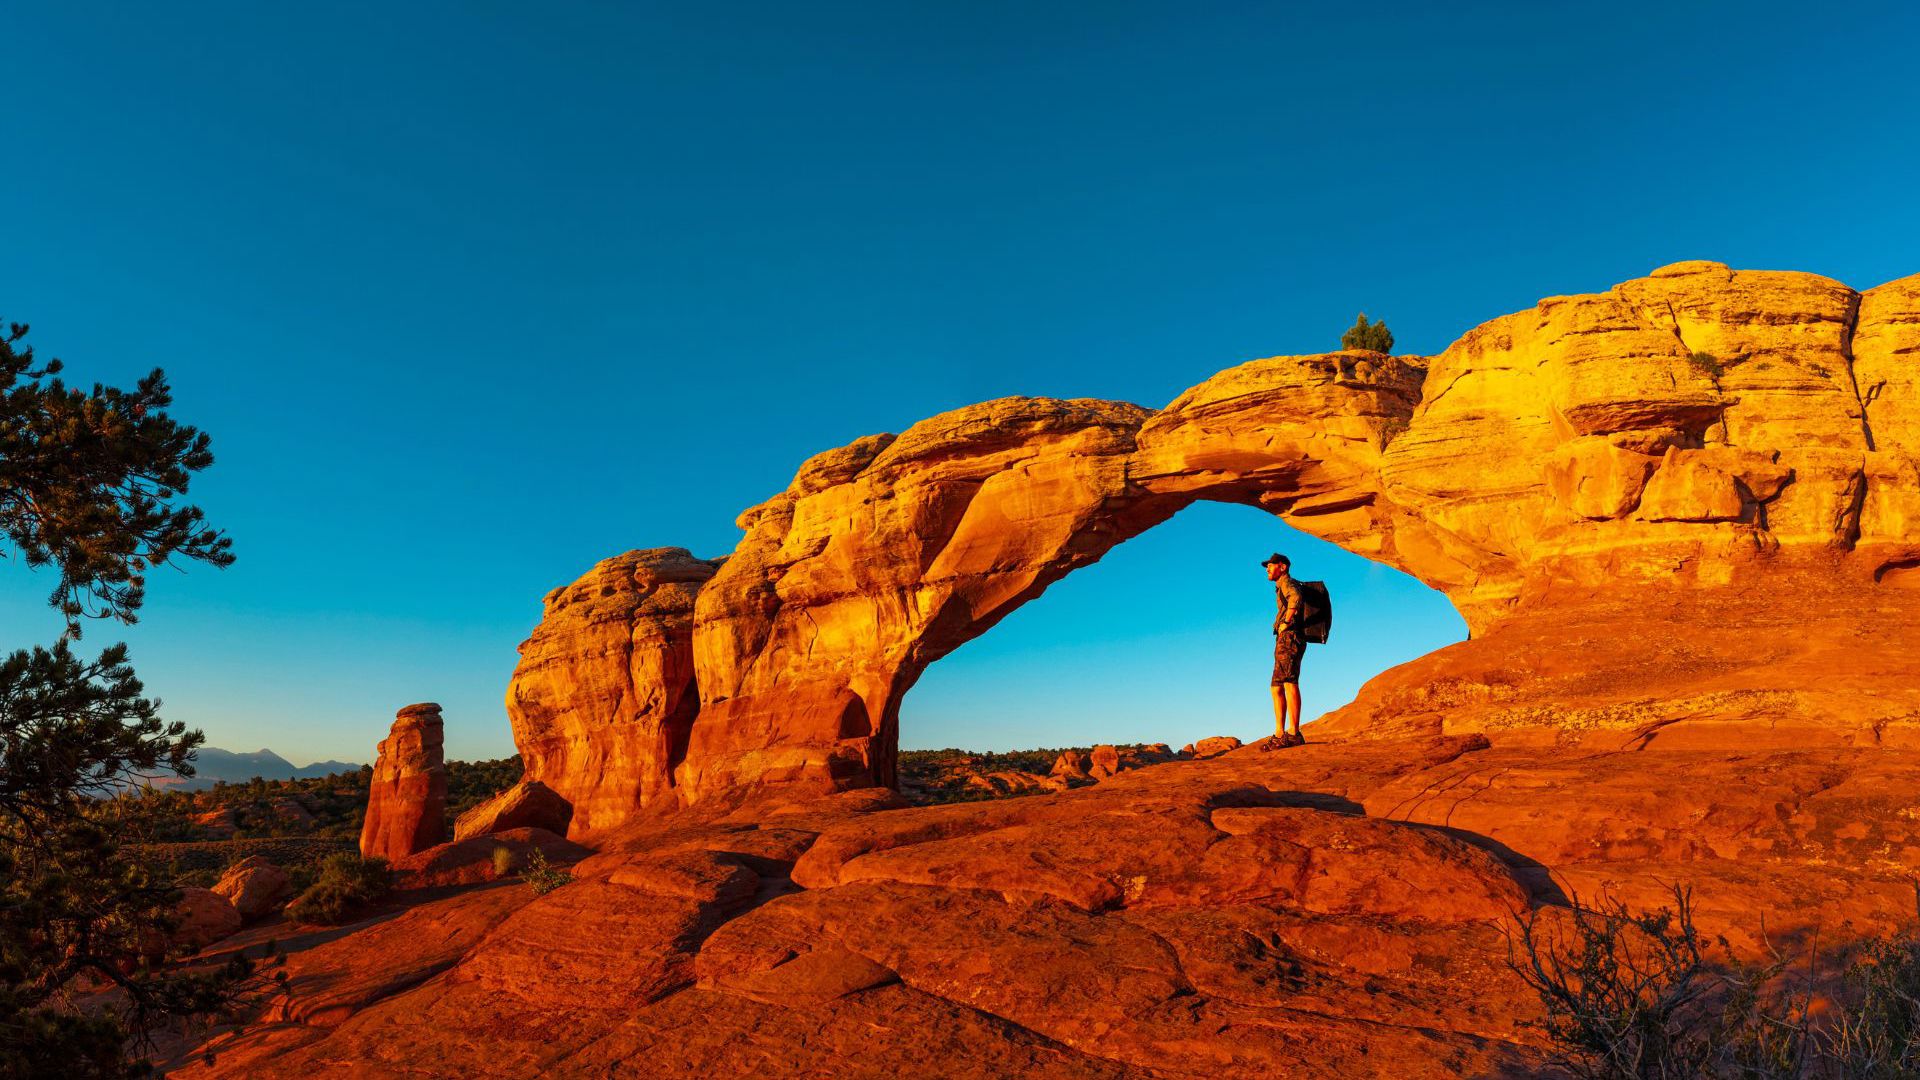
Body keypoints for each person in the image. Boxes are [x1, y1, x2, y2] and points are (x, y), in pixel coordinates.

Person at [1263, 553, 1307, 747]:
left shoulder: (1288, 583)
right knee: (1276, 686)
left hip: (1290, 636)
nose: (1267, 569)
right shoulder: (1280, 586)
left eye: (1270, 565)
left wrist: (1286, 622)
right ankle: (1280, 733)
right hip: (1284, 638)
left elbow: (1295, 598)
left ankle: (1294, 733)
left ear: (1282, 567)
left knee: (1289, 682)